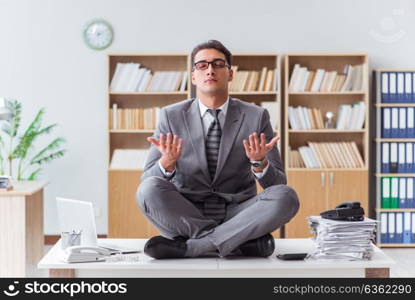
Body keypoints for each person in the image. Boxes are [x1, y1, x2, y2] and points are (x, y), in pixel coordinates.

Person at [136, 40, 299, 259]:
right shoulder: (171, 116)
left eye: (218, 64)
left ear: (230, 74)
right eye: (202, 65)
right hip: (186, 213)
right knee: (148, 190)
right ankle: (237, 243)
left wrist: (260, 163)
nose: (210, 70)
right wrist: (166, 163)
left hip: (238, 213)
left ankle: (194, 247)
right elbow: (148, 180)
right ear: (193, 76)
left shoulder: (256, 116)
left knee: (286, 197)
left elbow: (277, 185)